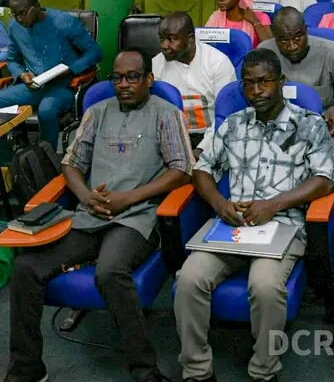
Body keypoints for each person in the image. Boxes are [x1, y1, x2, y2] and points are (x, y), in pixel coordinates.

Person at [4, 48, 194, 382]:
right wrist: (85, 196)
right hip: (89, 214)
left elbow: (181, 170)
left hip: (136, 216)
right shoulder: (97, 112)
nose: (124, 84)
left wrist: (129, 198)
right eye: (117, 78)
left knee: (110, 271)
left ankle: (145, 370)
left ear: (149, 79)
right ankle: (27, 368)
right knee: (26, 268)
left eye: (133, 77)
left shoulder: (165, 114)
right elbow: (71, 164)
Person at [174, 48, 334, 382]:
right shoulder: (233, 124)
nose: (256, 91)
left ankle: (264, 369)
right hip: (233, 224)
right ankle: (196, 369)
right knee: (188, 279)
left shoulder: (309, 125)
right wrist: (220, 204)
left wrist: (274, 204)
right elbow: (202, 169)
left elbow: (326, 179)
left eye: (264, 82)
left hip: (283, 225)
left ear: (281, 81)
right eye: (248, 84)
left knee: (264, 286)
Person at [259, 7, 334, 177]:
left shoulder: (332, 53)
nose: (292, 46)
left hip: (321, 123)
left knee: (325, 162)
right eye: (283, 40)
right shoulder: (264, 54)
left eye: (298, 37)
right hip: (276, 125)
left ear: (306, 30)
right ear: (274, 37)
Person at [0, 0, 102, 149]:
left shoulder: (64, 22)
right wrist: (22, 74)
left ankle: (46, 159)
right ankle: (6, 157)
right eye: (14, 14)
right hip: (33, 86)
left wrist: (71, 69)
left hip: (63, 85)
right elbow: (13, 59)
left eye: (23, 13)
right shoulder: (15, 27)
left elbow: (95, 52)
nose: (19, 19)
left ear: (37, 6)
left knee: (47, 110)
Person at [152, 11, 237, 159]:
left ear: (190, 38)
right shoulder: (156, 65)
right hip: (172, 139)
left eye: (172, 39)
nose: (163, 45)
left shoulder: (218, 63)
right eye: (162, 38)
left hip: (213, 137)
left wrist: (201, 150)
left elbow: (227, 116)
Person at [206, 0, 272, 48]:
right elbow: (205, 43)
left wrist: (255, 21)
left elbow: (270, 47)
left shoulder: (260, 17)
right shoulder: (216, 17)